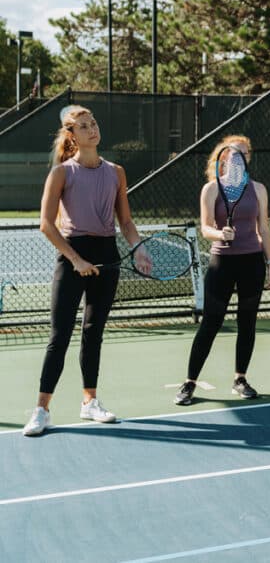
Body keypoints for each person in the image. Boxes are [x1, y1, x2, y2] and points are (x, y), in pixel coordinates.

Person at [24, 106, 150, 436]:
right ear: (72, 135)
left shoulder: (117, 172)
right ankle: (41, 409)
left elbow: (125, 221)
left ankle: (89, 402)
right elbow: (46, 225)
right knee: (59, 336)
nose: (92, 129)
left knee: (93, 332)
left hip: (107, 255)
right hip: (72, 255)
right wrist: (76, 260)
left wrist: (138, 248)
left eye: (93, 123)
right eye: (83, 126)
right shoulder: (62, 173)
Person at [173, 135, 270, 405]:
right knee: (211, 323)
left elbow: (263, 228)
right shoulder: (211, 189)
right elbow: (205, 227)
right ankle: (189, 383)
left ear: (248, 158)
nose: (237, 157)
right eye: (232, 153)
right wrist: (220, 233)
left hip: (252, 262)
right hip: (222, 263)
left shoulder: (259, 189)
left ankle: (240, 379)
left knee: (247, 323)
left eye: (243, 153)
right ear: (222, 158)